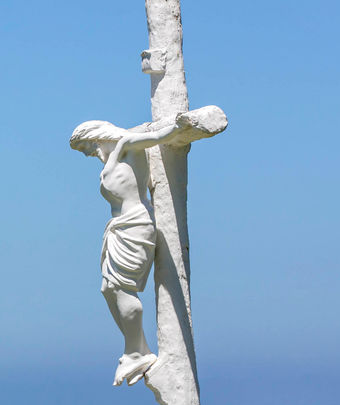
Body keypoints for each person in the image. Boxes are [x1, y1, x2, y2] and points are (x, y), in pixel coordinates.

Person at [68, 108, 225, 386]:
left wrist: (180, 128)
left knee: (121, 287)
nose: (88, 153)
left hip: (136, 224)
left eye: (87, 147)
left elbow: (157, 136)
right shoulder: (117, 155)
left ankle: (134, 352)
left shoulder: (126, 145)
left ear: (97, 137)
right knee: (108, 289)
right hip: (118, 228)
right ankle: (137, 349)